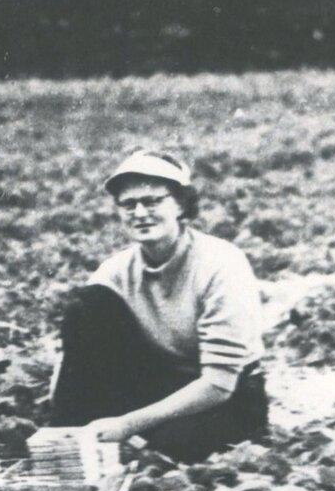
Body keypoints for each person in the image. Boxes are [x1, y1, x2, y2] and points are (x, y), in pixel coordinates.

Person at [47, 149, 268, 461]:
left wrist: (126, 425)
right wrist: (63, 417)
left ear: (180, 204)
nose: (139, 213)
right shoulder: (115, 271)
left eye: (152, 201)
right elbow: (76, 349)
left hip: (226, 395)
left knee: (165, 454)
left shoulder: (220, 264)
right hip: (162, 379)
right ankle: (66, 452)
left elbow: (219, 384)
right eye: (128, 204)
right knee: (88, 304)